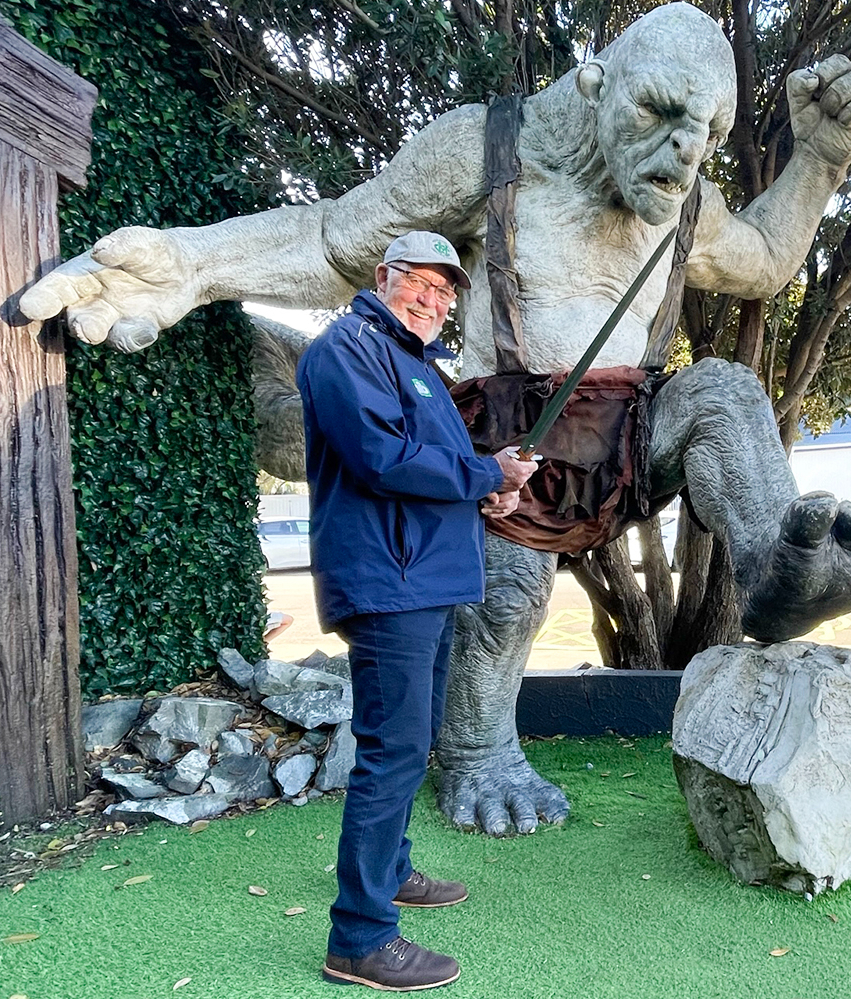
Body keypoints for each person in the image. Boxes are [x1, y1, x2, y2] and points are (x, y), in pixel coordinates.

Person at [298, 231, 537, 990]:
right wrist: (481, 470)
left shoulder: (416, 365)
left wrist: (489, 485)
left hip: (428, 583)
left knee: (415, 738)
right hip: (387, 582)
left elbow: (441, 475)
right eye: (421, 285)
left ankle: (391, 870)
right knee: (391, 750)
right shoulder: (346, 349)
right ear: (383, 278)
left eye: (444, 292)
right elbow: (383, 459)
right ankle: (360, 939)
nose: (433, 301)